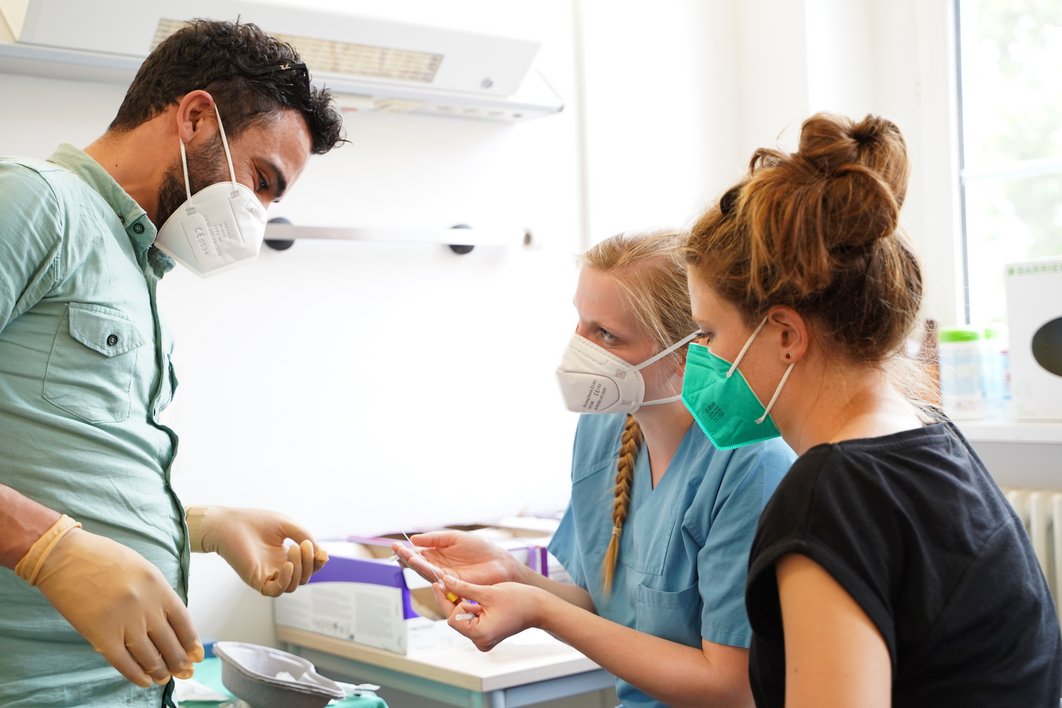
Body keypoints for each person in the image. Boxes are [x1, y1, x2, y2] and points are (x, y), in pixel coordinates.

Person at [0, 19, 346, 707]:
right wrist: (47, 551)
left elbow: (61, 473)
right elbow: (58, 534)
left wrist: (205, 527)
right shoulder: (38, 204)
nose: (260, 215)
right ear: (194, 118)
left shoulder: (136, 265)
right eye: (262, 180)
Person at [682, 112, 1062, 706]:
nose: (702, 356)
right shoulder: (932, 437)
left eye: (707, 331)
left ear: (785, 333)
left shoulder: (832, 495)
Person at [393, 231, 795, 707]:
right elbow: (609, 610)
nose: (578, 349)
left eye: (606, 335)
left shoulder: (751, 466)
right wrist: (511, 574)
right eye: (580, 324)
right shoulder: (603, 430)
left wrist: (540, 610)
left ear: (689, 350)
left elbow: (731, 687)